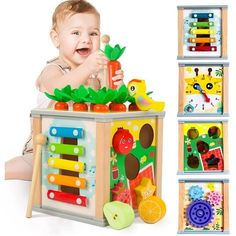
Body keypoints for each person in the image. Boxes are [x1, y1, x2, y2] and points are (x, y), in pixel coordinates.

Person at [5, 0, 124, 180]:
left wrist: (116, 83)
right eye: (76, 32)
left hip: (85, 149)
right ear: (56, 38)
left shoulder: (97, 74)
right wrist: (87, 68)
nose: (86, 39)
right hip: (47, 147)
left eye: (93, 33)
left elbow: (110, 105)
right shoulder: (53, 69)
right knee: (28, 168)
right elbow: (59, 88)